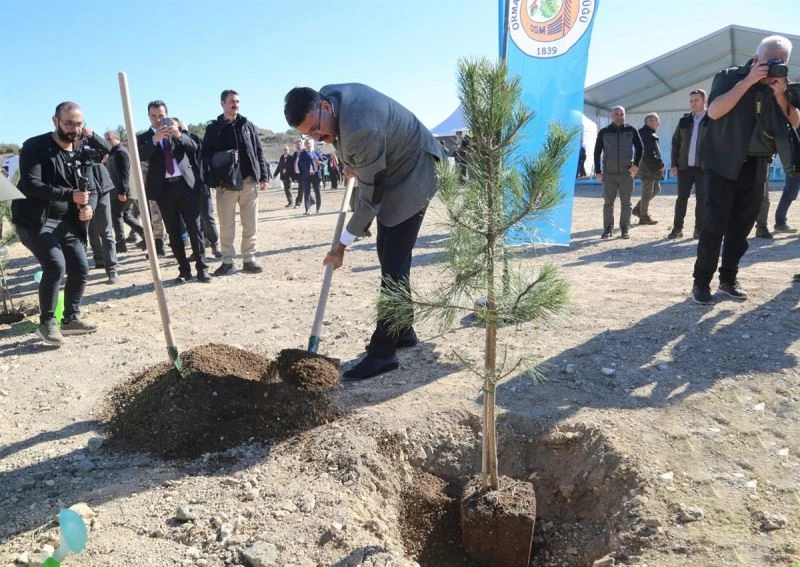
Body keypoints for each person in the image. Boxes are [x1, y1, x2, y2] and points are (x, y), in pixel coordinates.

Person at [284, 84, 445, 380]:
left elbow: (371, 198)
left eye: (317, 129)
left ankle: (383, 353)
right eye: (309, 135)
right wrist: (350, 164)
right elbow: (356, 158)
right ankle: (403, 329)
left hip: (415, 172)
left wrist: (342, 245)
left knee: (393, 263)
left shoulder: (361, 127)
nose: (317, 138)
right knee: (389, 254)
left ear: (325, 107)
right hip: (394, 166)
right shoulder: (331, 101)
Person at [691, 35, 799, 305]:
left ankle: (728, 279)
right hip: (721, 163)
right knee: (713, 225)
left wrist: (780, 92)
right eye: (769, 60)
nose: (774, 65)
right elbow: (714, 111)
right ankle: (701, 282)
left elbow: (795, 121)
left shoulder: (782, 86)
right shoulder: (729, 76)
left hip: (757, 163)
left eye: (781, 61)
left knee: (741, 227)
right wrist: (748, 80)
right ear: (755, 57)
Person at [11, 101, 99, 345]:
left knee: (80, 268)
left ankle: (70, 319)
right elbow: (31, 184)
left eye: (78, 124)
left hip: (66, 221)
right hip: (34, 221)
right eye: (68, 123)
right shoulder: (35, 146)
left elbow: (89, 187)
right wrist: (69, 195)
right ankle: (47, 324)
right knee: (55, 265)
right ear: (55, 121)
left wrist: (86, 207)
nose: (74, 129)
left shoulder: (82, 151)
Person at [137, 100, 210, 283]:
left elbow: (194, 146)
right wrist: (156, 139)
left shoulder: (179, 131)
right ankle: (184, 270)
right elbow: (142, 155)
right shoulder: (145, 137)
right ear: (149, 117)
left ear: (167, 115)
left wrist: (178, 135)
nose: (158, 119)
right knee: (174, 232)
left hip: (186, 186)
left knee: (195, 228)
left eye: (161, 115)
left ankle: (202, 269)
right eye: (153, 115)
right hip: (164, 190)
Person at [201, 89, 269, 275]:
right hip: (226, 184)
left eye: (237, 101)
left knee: (250, 223)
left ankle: (249, 259)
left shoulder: (247, 125)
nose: (235, 104)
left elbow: (258, 151)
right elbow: (204, 154)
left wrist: (263, 175)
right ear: (222, 103)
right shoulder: (213, 128)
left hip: (249, 182)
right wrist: (222, 157)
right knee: (226, 225)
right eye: (231, 101)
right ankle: (228, 262)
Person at [593, 106, 643, 239]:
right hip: (609, 174)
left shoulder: (631, 130)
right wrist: (598, 171)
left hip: (626, 174)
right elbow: (597, 152)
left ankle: (625, 228)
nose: (619, 116)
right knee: (608, 203)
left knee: (626, 203)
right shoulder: (604, 132)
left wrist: (636, 165)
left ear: (624, 115)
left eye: (621, 114)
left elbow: (640, 148)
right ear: (612, 115)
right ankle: (608, 229)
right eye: (616, 114)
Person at [176, 119, 221, 259]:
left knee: (207, 217)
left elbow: (201, 157)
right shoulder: (172, 142)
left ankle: (215, 245)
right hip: (185, 186)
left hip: (200, 184)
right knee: (193, 220)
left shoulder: (194, 138)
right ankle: (199, 250)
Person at [668, 89, 707, 239]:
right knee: (681, 199)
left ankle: (699, 229)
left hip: (704, 168)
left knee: (702, 200)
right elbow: (675, 142)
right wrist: (674, 164)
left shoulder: (712, 119)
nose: (693, 103)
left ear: (704, 101)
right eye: (691, 100)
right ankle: (677, 229)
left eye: (696, 100)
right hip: (684, 167)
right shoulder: (684, 121)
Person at [82, 128, 119, 284]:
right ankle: (98, 259)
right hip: (81, 191)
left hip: (101, 187)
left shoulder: (91, 141)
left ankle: (112, 269)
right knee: (88, 229)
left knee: (105, 229)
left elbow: (108, 148)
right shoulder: (66, 144)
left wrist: (91, 135)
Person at [104, 130, 145, 254]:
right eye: (106, 139)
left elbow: (124, 174)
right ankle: (145, 234)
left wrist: (122, 191)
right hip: (117, 191)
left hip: (121, 191)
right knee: (125, 215)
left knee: (117, 217)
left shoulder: (121, 152)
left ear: (117, 138)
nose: (107, 141)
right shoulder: (113, 152)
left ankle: (121, 244)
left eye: (109, 139)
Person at [632, 113, 665, 225]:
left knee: (656, 189)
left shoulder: (650, 133)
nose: (651, 121)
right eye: (649, 119)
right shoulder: (645, 133)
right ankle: (643, 216)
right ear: (646, 122)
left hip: (651, 166)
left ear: (658, 123)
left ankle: (638, 209)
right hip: (647, 166)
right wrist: (660, 163)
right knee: (647, 192)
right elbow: (648, 152)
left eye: (654, 119)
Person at [305, 138, 322, 214]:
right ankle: (307, 209)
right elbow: (300, 164)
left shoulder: (316, 152)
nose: (308, 145)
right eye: (306, 144)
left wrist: (319, 162)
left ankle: (318, 209)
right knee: (307, 192)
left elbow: (323, 161)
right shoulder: (303, 154)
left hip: (315, 175)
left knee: (317, 192)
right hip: (307, 176)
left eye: (309, 143)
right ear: (304, 145)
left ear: (311, 144)